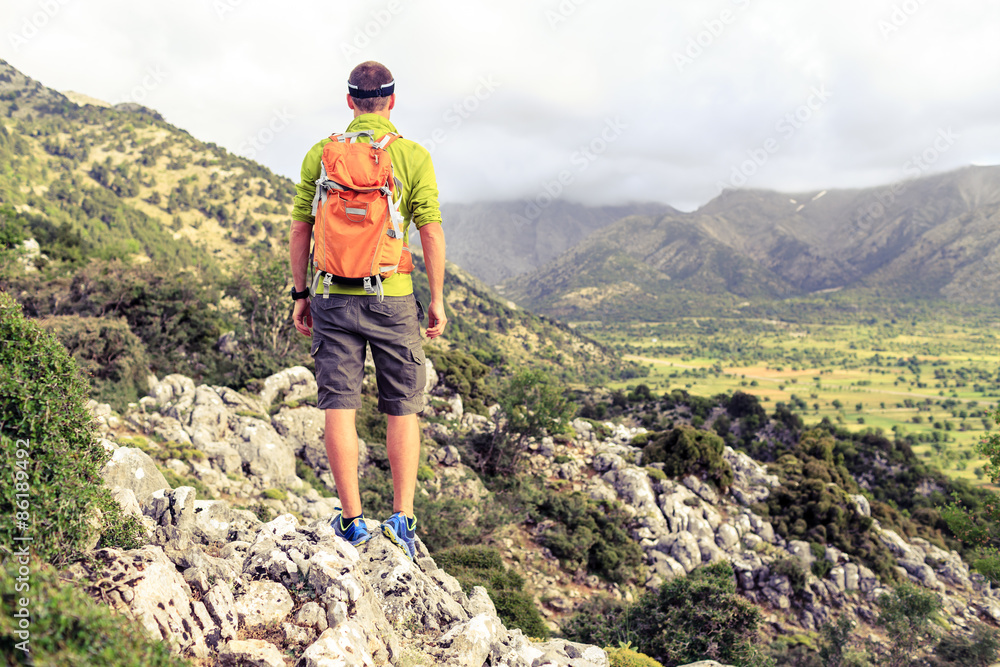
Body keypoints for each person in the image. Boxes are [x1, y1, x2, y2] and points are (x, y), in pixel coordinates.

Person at [288, 61, 446, 561]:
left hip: (332, 294)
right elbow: (431, 230)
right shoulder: (413, 156)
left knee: (340, 403)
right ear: (392, 101)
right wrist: (437, 299)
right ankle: (401, 519)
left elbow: (300, 229)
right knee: (403, 404)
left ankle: (353, 522)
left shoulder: (322, 153)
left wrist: (300, 294)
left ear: (351, 101)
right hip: (393, 295)